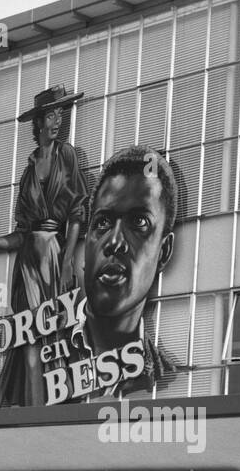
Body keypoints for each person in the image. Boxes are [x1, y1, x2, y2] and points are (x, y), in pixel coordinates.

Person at [0, 85, 88, 407]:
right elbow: (22, 230)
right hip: (26, 264)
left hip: (53, 256)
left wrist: (66, 262)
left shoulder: (67, 155)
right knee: (29, 337)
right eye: (51, 115)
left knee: (52, 333)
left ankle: (53, 403)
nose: (57, 121)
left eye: (60, 114)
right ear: (37, 123)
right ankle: (34, 407)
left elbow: (77, 211)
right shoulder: (27, 171)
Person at [43, 145, 179, 402]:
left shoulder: (168, 381)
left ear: (164, 251)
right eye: (102, 223)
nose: (115, 241)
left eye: (139, 222)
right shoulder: (41, 359)